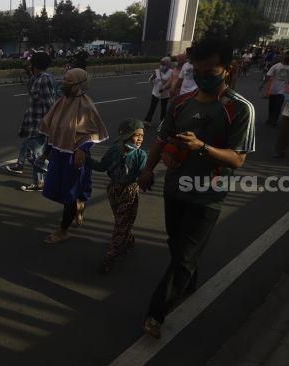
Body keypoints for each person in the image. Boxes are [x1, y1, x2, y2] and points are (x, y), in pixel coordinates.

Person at [138, 39, 255, 339]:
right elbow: (162, 140)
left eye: (210, 70)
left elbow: (237, 159)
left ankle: (155, 313)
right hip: (175, 188)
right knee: (176, 244)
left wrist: (201, 147)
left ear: (227, 70)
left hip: (208, 194)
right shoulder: (180, 103)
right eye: (197, 70)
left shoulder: (239, 109)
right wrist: (148, 170)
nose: (203, 75)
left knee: (185, 255)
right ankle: (187, 279)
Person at [37, 68, 109, 244]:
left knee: (70, 193)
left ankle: (63, 230)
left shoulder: (86, 106)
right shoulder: (62, 102)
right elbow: (54, 131)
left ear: (79, 85)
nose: (64, 84)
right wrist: (46, 152)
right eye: (64, 80)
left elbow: (91, 132)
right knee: (60, 190)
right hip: (59, 154)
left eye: (69, 81)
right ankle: (78, 204)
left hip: (74, 156)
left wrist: (81, 150)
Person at [86, 119, 147, 274]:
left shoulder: (141, 155)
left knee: (122, 222)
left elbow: (141, 175)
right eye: (136, 135)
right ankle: (119, 248)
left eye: (142, 135)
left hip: (128, 190)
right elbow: (101, 166)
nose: (140, 138)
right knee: (121, 222)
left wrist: (146, 178)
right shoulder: (115, 150)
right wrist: (85, 156)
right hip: (116, 190)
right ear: (126, 136)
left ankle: (119, 249)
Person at [6, 52, 57, 192]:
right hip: (33, 124)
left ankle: (51, 175)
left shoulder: (45, 79)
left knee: (33, 155)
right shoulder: (37, 78)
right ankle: (42, 180)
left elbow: (49, 104)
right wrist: (30, 72)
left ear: (35, 64)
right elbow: (30, 89)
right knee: (31, 154)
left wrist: (50, 127)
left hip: (40, 125)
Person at [259, 50, 289, 126]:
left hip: (283, 89)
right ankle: (270, 118)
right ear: (283, 57)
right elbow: (268, 75)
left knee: (278, 105)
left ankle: (274, 120)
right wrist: (262, 85)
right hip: (274, 89)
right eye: (286, 55)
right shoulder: (276, 66)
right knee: (272, 105)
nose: (287, 57)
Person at [144, 57, 173, 127]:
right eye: (161, 64)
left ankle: (162, 121)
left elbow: (172, 81)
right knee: (152, 107)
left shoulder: (171, 72)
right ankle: (147, 121)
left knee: (163, 108)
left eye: (164, 64)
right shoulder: (156, 71)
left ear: (168, 64)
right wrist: (153, 77)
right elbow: (149, 81)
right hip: (155, 93)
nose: (162, 65)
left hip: (165, 94)